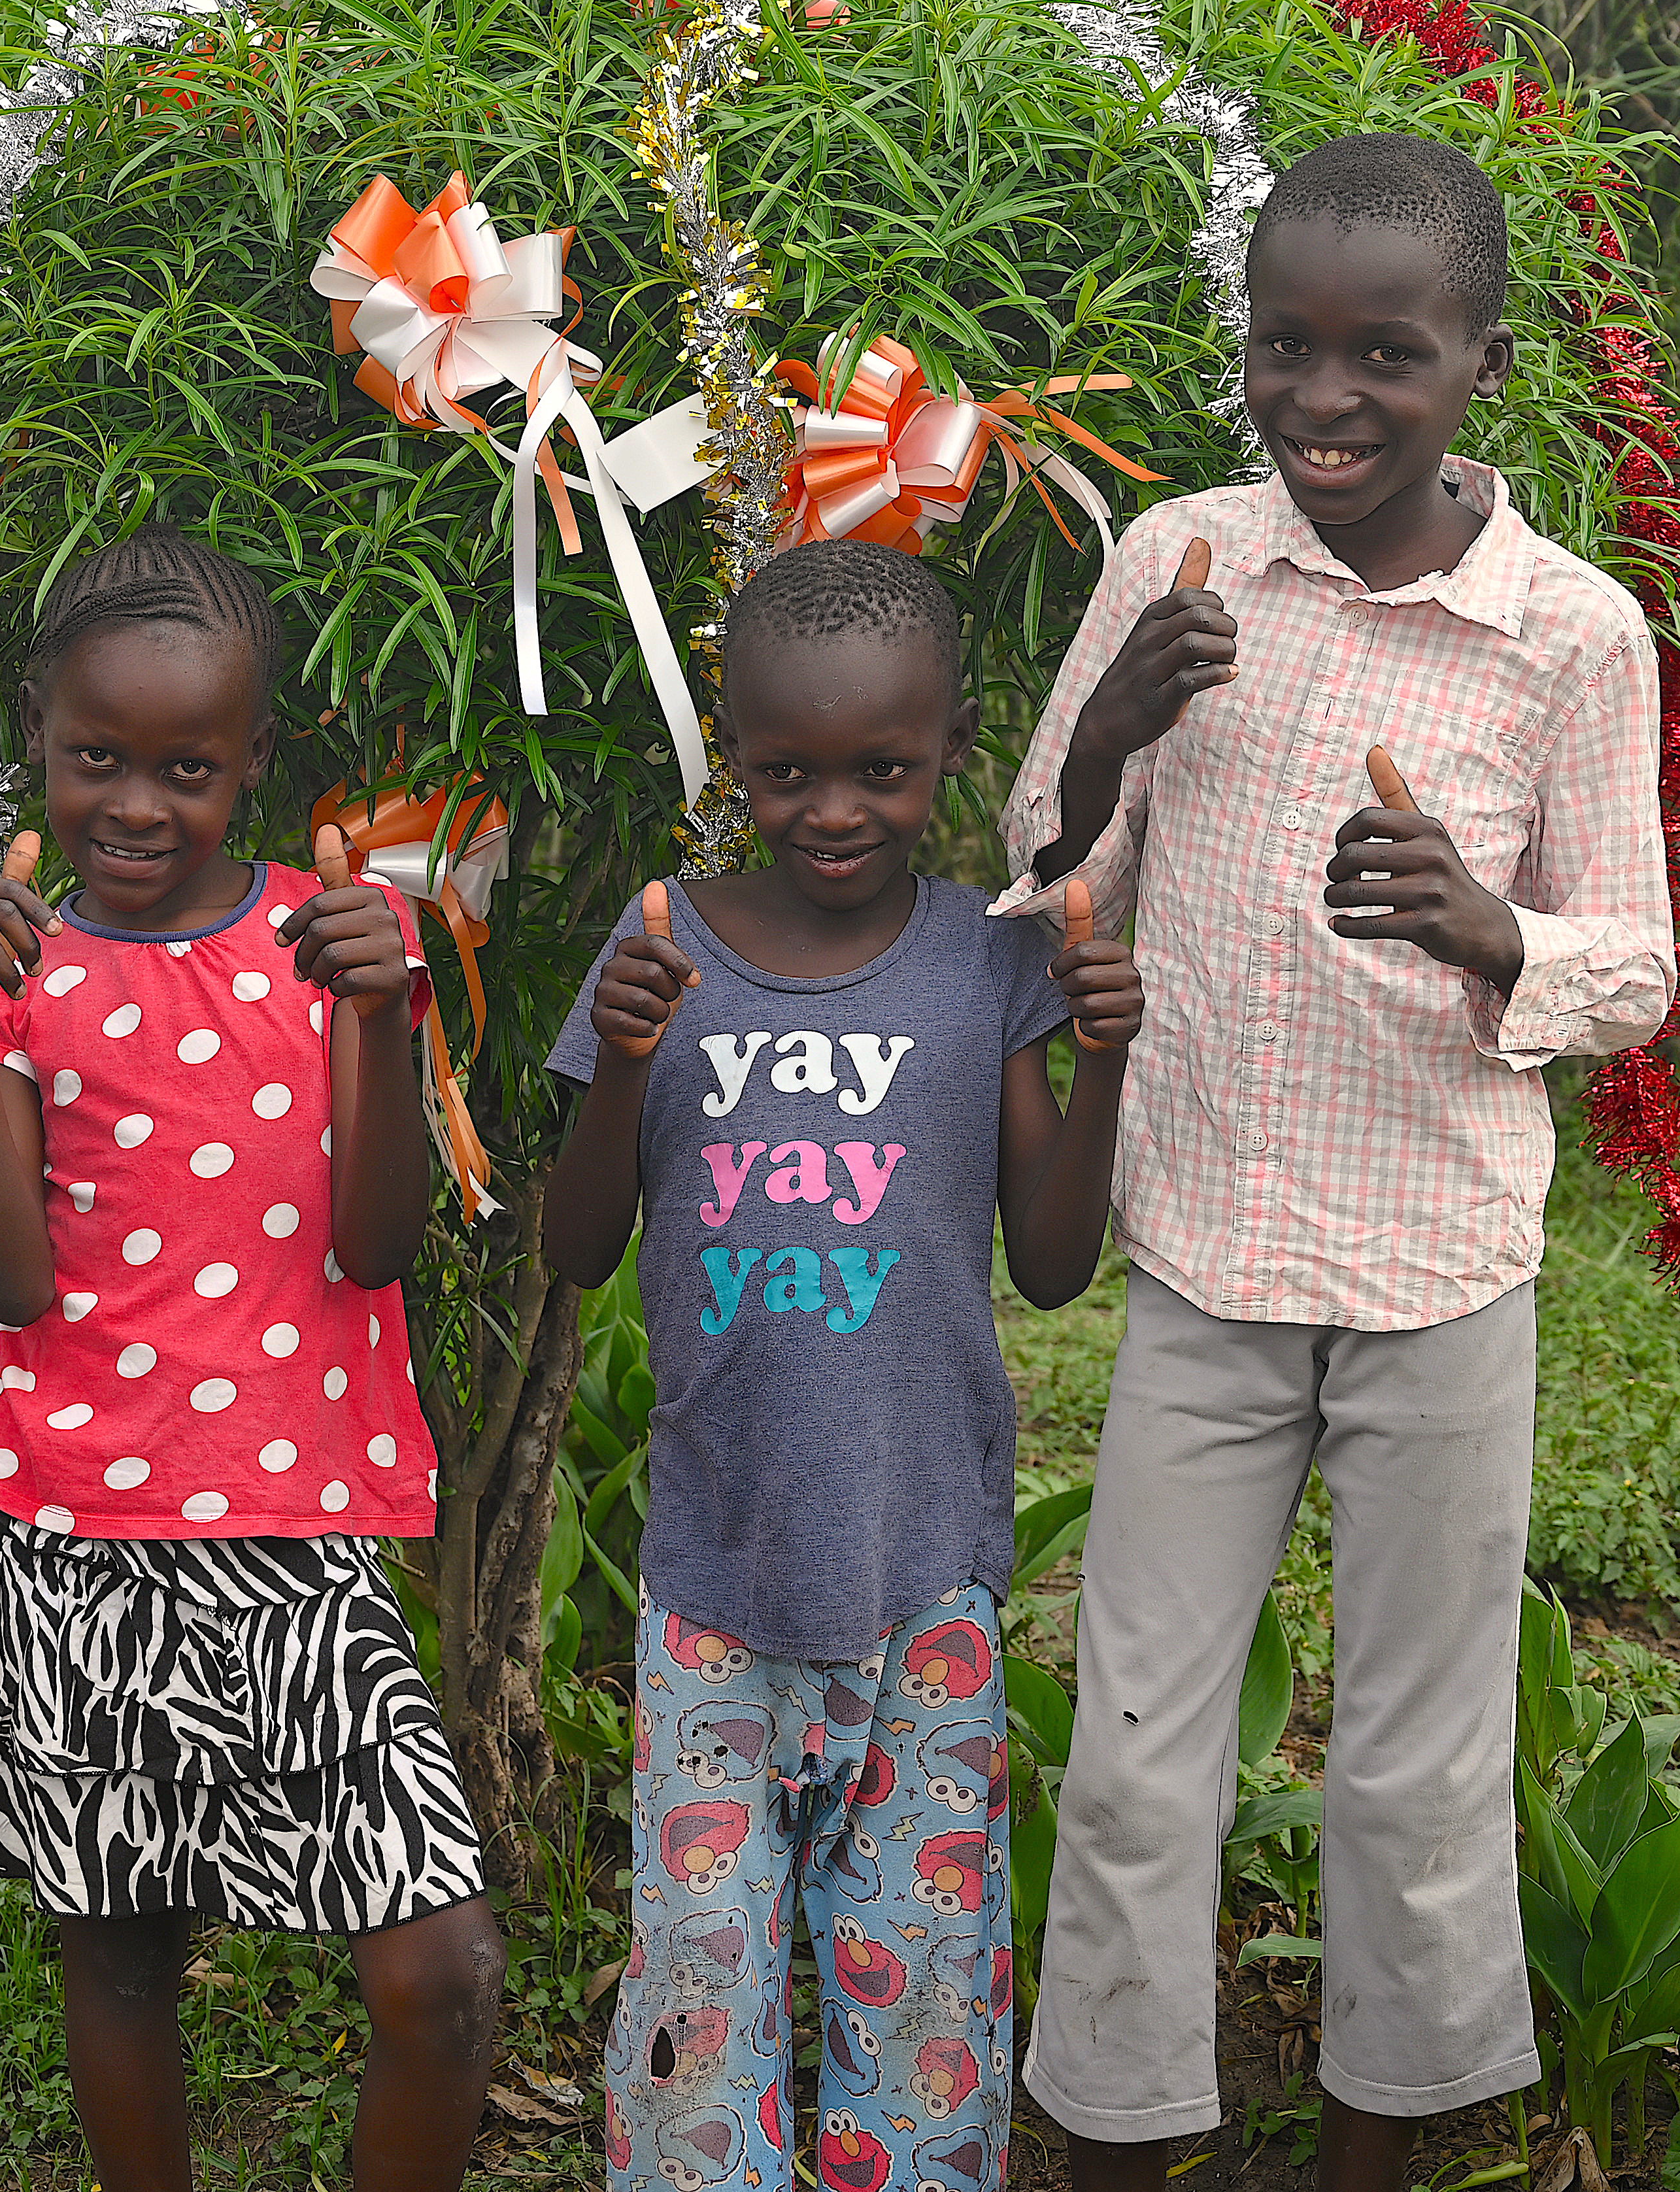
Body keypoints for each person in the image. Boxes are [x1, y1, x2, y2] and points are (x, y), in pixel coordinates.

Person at [996, 132, 1677, 2190]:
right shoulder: (1183, 562)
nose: (1325, 401)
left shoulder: (1569, 633)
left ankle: (1377, 2151)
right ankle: (1111, 2140)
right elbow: (1045, 877)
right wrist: (1112, 728)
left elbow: (1630, 965)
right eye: (1285, 349)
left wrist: (1489, 930)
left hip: (1442, 1269)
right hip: (1204, 1245)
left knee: (1414, 1765)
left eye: (1386, 354)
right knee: (1131, 1756)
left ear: (1479, 361)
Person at [543, 537, 1149, 2192]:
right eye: (786, 770)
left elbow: (1050, 1260)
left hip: (929, 1579)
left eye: (881, 768)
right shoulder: (662, 943)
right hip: (715, 1585)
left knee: (923, 1985)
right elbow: (577, 1246)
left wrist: (1100, 1065)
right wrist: (624, 1056)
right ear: (731, 757)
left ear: (953, 748)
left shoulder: (987, 960)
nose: (831, 808)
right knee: (702, 1982)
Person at [0, 527, 507, 2192]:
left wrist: (384, 1021)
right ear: (39, 732)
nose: (138, 805)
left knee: (437, 1974)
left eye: (190, 766)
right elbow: (10, 1279)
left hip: (298, 1547)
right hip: (79, 1532)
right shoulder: (18, 969)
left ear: (255, 756)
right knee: (116, 1946)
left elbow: (380, 1243)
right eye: (98, 756)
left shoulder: (336, 946)